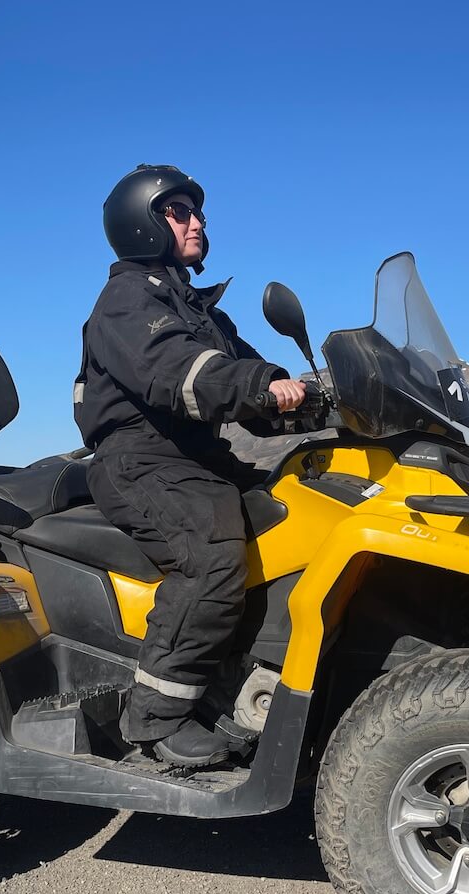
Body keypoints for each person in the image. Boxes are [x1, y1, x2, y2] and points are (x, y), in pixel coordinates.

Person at [73, 164, 312, 768]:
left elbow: (247, 378)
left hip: (196, 458)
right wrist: (259, 384)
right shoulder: (129, 299)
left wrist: (312, 397)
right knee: (211, 555)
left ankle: (242, 685)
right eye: (177, 211)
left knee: (290, 517)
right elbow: (179, 373)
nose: (196, 221)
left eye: (196, 211)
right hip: (142, 460)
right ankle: (157, 717)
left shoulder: (196, 307)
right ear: (142, 225)